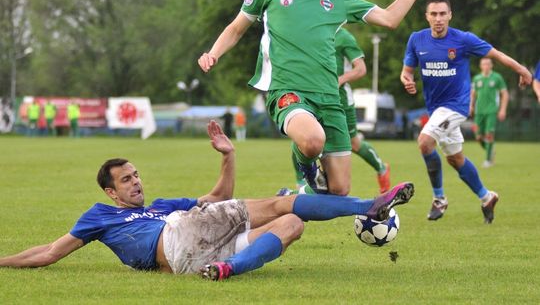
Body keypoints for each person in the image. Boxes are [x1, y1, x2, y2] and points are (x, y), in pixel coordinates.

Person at [0, 120, 415, 281]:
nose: (136, 182)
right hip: (175, 238)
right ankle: (368, 206)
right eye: (126, 180)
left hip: (199, 256)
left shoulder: (161, 204)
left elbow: (218, 198)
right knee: (280, 204)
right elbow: (50, 252)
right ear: (110, 193)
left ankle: (228, 270)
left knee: (292, 224)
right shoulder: (101, 215)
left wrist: (228, 156)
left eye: (136, 174)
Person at [199, 0, 441, 196]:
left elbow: (389, 19)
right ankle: (307, 168)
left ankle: (292, 198)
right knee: (313, 141)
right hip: (288, 90)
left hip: (329, 98)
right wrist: (213, 53)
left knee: (339, 190)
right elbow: (236, 29)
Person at [400, 0, 532, 224]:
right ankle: (487, 197)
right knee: (455, 159)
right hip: (436, 109)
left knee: (425, 142)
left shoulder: (463, 39)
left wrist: (521, 69)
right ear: (427, 16)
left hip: (456, 106)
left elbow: (495, 54)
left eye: (443, 14)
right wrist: (407, 80)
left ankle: (439, 199)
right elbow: (407, 71)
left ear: (450, 15)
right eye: (434, 14)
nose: (438, 18)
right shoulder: (416, 39)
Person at [284, 28, 391, 194]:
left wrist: (340, 79)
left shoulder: (344, 37)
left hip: (341, 100)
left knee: (354, 143)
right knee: (301, 136)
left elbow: (361, 69)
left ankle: (382, 168)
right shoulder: (311, 31)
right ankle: (300, 184)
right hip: (313, 95)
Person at [470, 58, 508, 168]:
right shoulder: (477, 78)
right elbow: (473, 94)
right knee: (478, 136)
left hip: (491, 110)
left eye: (488, 64)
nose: (486, 66)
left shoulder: (497, 77)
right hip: (479, 111)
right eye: (484, 64)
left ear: (491, 65)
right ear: (480, 66)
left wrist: (503, 109)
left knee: (489, 135)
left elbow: (505, 94)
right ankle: (490, 149)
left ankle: (488, 161)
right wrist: (471, 106)